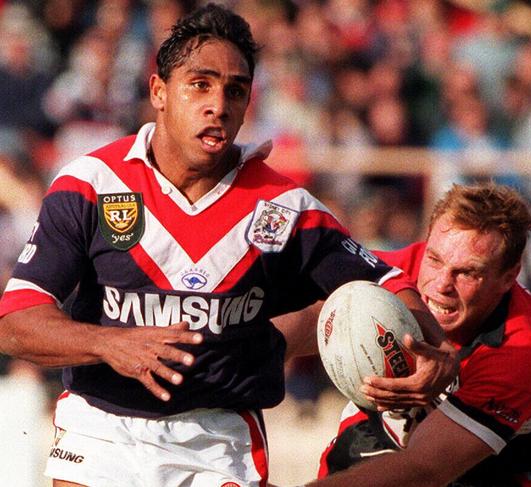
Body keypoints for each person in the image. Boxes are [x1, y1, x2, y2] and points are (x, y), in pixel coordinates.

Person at [0, 4, 457, 487]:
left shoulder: (285, 208)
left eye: (234, 90)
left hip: (217, 439)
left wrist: (433, 347)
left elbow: (386, 282)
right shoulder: (89, 184)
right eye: (200, 84)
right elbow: (15, 322)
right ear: (159, 91)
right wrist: (110, 343)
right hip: (101, 428)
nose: (218, 103)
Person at [275, 182, 531, 487]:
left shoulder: (523, 351)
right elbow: (314, 317)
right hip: (391, 427)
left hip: (495, 468)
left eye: (467, 272)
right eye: (435, 259)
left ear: (509, 277)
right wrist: (239, 358)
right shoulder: (396, 272)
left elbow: (424, 470)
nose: (441, 285)